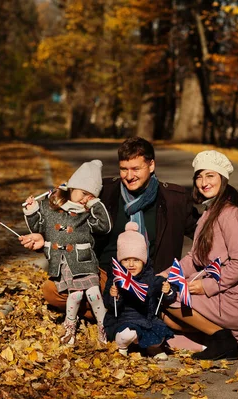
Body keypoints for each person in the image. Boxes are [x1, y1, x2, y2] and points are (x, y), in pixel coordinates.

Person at [35, 137, 199, 318]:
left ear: (151, 165)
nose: (129, 176)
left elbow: (203, 234)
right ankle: (113, 314)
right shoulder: (105, 192)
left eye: (136, 169)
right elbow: (67, 214)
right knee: (52, 291)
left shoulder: (175, 199)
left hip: (150, 279)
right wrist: (44, 237)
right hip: (105, 275)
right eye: (124, 169)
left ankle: (121, 312)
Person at [162, 150, 238, 360]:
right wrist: (164, 276)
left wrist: (205, 287)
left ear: (223, 178)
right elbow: (194, 258)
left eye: (210, 176)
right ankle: (216, 339)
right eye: (199, 176)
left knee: (170, 297)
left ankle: (222, 339)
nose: (203, 182)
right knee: (166, 317)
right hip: (226, 293)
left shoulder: (231, 214)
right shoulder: (209, 213)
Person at [19, 160, 112, 345]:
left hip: (84, 260)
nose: (85, 198)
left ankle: (105, 326)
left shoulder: (87, 214)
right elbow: (38, 226)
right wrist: (31, 211)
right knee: (76, 295)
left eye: (91, 196)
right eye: (84, 193)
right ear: (72, 187)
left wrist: (95, 204)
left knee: (94, 293)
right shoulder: (50, 207)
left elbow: (104, 226)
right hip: (64, 262)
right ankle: (70, 327)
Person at [103, 222, 176, 360]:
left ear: (144, 261)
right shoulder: (116, 279)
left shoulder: (151, 278)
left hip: (146, 318)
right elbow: (109, 304)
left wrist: (168, 291)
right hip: (123, 320)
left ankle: (151, 347)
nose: (131, 265)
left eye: (136, 260)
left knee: (158, 335)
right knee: (128, 333)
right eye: (126, 260)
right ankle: (122, 347)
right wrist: (114, 297)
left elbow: (165, 297)